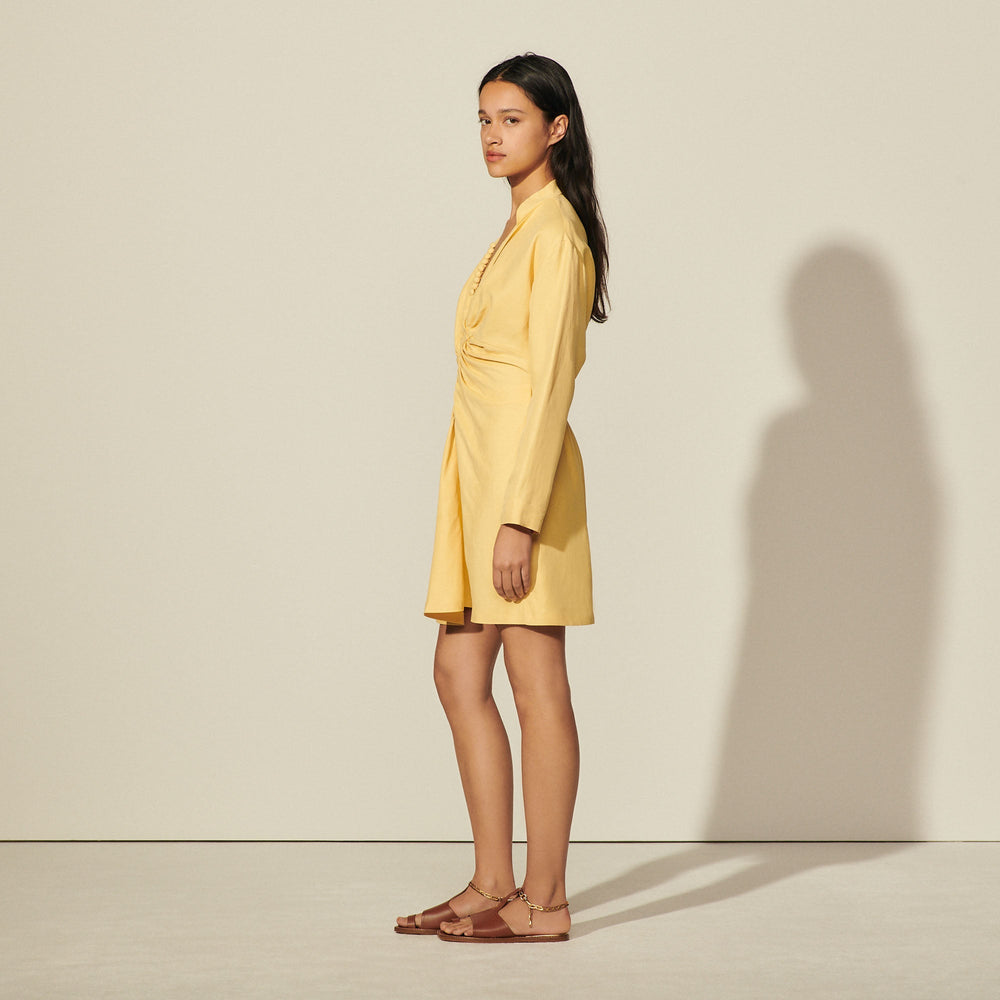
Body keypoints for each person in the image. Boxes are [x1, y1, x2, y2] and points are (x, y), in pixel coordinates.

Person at [395, 53, 609, 944]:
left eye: (511, 119)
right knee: (457, 674)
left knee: (535, 683)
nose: (491, 135)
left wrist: (520, 517)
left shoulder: (556, 233)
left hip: (523, 489)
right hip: (476, 484)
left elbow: (550, 385)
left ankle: (545, 901)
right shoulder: (519, 228)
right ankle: (493, 880)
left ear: (556, 129)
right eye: (484, 119)